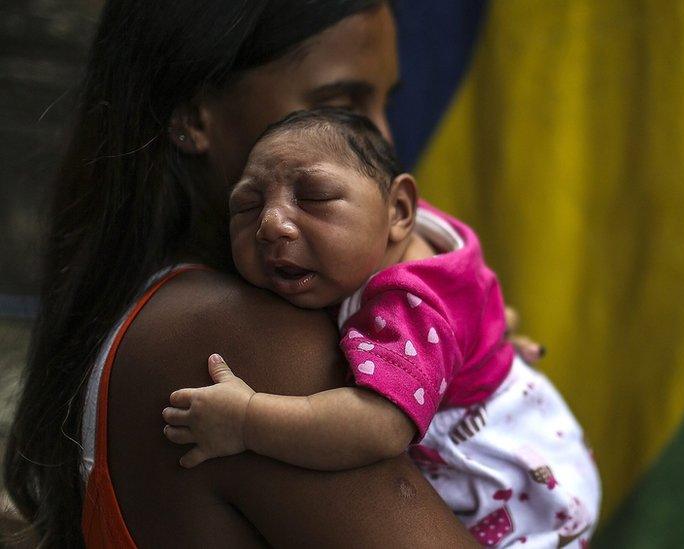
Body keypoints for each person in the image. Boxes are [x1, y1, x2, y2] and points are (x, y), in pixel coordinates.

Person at [1, 1, 504, 546]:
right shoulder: (239, 338)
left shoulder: (154, 304)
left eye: (385, 104)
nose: (380, 142)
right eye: (339, 103)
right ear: (193, 116)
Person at [161, 108, 601, 546]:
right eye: (247, 205)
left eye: (313, 197)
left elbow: (380, 426)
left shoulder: (409, 304)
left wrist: (246, 419)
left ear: (400, 210)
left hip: (516, 502)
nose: (270, 225)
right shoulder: (395, 228)